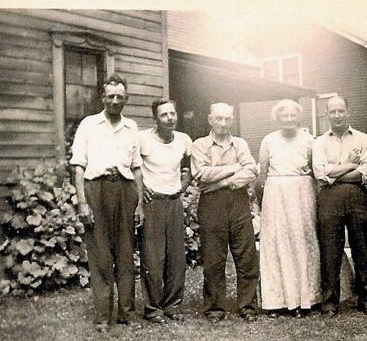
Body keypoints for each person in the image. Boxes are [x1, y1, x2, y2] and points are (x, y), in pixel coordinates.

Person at [70, 73, 144, 332]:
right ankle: (102, 316)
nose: (115, 101)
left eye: (120, 97)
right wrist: (82, 203)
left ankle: (125, 313)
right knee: (100, 254)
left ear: (126, 99)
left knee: (125, 253)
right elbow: (78, 167)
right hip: (96, 190)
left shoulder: (132, 127)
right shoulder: (88, 125)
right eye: (110, 96)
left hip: (125, 190)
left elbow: (136, 168)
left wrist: (140, 204)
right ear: (103, 97)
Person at [191, 102, 260, 323]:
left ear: (232, 120)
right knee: (214, 258)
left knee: (246, 256)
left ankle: (248, 306)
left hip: (238, 202)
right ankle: (215, 308)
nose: (222, 123)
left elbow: (251, 171)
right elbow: (202, 174)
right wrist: (233, 169)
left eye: (227, 118)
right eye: (218, 118)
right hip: (212, 205)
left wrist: (223, 182)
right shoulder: (200, 145)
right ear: (210, 119)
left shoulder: (240, 144)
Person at [257, 99, 321, 318]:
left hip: (302, 193)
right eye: (284, 115)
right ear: (278, 117)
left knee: (303, 241)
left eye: (292, 115)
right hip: (276, 195)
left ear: (298, 117)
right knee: (277, 243)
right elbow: (261, 175)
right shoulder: (268, 140)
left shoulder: (309, 140)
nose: (289, 119)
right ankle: (277, 301)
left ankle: (306, 299)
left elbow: (315, 170)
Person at [312, 96, 367, 317]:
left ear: (348, 111)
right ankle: (329, 302)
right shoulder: (319, 142)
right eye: (333, 111)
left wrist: (335, 173)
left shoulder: (364, 139)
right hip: (329, 199)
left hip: (357, 196)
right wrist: (350, 164)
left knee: (362, 248)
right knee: (330, 250)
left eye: (341, 111)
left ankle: (365, 298)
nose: (337, 115)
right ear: (326, 114)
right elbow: (320, 173)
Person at [138, 99, 192, 323]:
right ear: (155, 119)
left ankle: (172, 305)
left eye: (172, 113)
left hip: (174, 202)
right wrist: (141, 192)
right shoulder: (142, 139)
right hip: (153, 204)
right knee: (153, 258)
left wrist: (183, 186)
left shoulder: (183, 140)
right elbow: (131, 166)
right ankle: (153, 309)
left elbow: (191, 168)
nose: (170, 118)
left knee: (176, 258)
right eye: (164, 115)